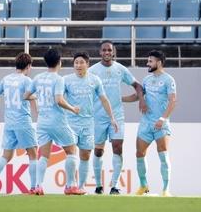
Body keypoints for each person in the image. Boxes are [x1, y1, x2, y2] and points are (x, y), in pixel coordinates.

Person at [89, 41, 145, 195]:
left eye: (109, 50)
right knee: (98, 151)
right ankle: (99, 186)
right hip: (98, 116)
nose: (107, 52)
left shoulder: (120, 69)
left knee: (118, 148)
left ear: (113, 52)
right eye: (104, 50)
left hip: (117, 116)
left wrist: (141, 99)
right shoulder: (92, 71)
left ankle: (115, 186)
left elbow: (138, 86)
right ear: (100, 53)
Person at [24, 49, 81, 195]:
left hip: (42, 121)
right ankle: (70, 186)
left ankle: (38, 186)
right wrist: (72, 108)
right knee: (72, 150)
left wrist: (40, 99)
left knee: (43, 155)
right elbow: (59, 100)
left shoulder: (38, 78)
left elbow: (26, 95)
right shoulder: (58, 79)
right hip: (57, 121)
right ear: (59, 62)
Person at [64, 52, 118, 195]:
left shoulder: (95, 80)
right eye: (76, 62)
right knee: (71, 153)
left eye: (81, 62)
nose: (78, 65)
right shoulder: (66, 80)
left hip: (88, 124)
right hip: (70, 123)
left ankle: (80, 187)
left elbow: (104, 99)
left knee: (85, 155)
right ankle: (70, 185)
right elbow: (59, 100)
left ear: (87, 64)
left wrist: (112, 117)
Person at [124, 50, 176, 197]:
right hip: (146, 123)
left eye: (150, 61)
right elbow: (137, 96)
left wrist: (162, 119)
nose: (147, 63)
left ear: (159, 62)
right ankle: (143, 186)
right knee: (139, 153)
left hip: (161, 124)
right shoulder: (146, 79)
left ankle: (166, 189)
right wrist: (119, 99)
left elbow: (173, 101)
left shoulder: (169, 80)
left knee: (163, 156)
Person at [0, 53, 38, 195]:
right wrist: (38, 112)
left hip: (9, 123)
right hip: (22, 121)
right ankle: (34, 187)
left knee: (6, 155)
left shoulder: (6, 79)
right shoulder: (27, 81)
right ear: (28, 66)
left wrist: (7, 93)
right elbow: (31, 99)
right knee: (33, 154)